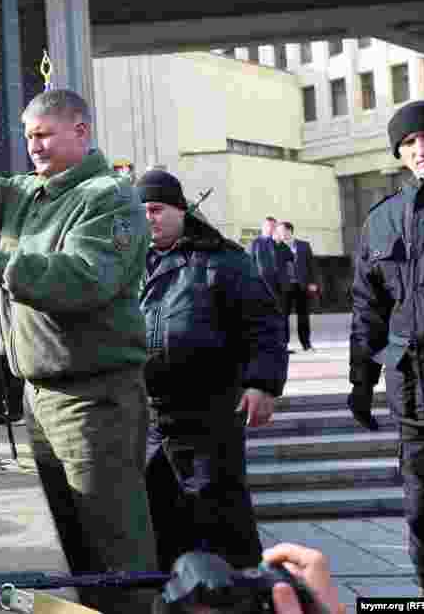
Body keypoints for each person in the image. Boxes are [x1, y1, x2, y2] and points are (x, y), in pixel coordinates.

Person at [0, 87, 156, 611]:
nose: (35, 147)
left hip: (93, 398)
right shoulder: (27, 193)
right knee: (67, 541)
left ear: (81, 132)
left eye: (45, 134)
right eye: (28, 137)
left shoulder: (109, 196)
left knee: (115, 544)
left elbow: (85, 278)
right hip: (41, 395)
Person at [136, 170, 287, 573]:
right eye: (141, 211)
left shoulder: (224, 260)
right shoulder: (129, 263)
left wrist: (263, 383)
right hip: (148, 420)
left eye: (157, 209)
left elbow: (264, 325)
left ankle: (242, 593)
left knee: (219, 519)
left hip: (208, 417)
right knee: (160, 522)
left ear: (181, 210)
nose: (148, 218)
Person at [349, 100, 424, 597]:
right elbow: (367, 307)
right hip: (416, 397)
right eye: (408, 142)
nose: (421, 147)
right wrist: (360, 380)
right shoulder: (382, 220)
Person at [276, 221, 317, 352]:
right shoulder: (276, 246)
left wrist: (313, 282)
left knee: (303, 316)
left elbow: (311, 265)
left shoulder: (304, 245)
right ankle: (284, 344)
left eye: (282, 231)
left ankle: (306, 344)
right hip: (284, 287)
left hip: (302, 285)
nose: (280, 234)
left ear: (289, 231)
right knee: (283, 316)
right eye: (279, 231)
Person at [248, 217, 287, 314]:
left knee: (279, 307)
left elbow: (288, 257)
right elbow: (251, 262)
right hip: (262, 280)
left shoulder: (279, 242)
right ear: (263, 227)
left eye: (274, 226)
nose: (271, 228)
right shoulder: (255, 242)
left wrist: (280, 242)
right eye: (269, 226)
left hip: (279, 281)